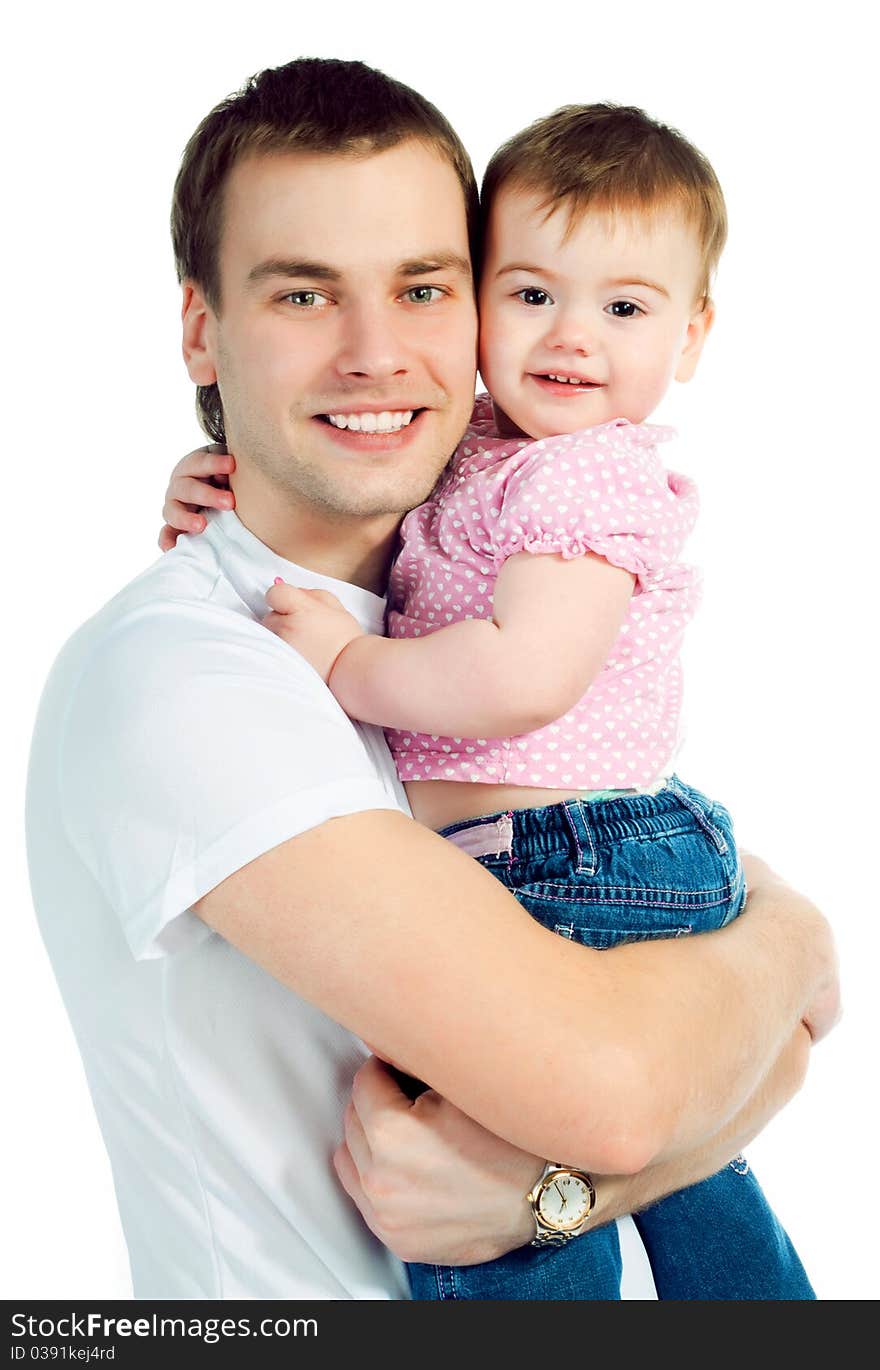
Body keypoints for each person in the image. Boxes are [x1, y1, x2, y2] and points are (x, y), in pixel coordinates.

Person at [26, 57, 837, 1302]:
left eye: (421, 287)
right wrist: (774, 947)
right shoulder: (185, 676)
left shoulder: (443, 570)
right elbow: (630, 1092)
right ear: (202, 327)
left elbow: (753, 1056)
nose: (374, 352)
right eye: (303, 294)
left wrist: (776, 966)